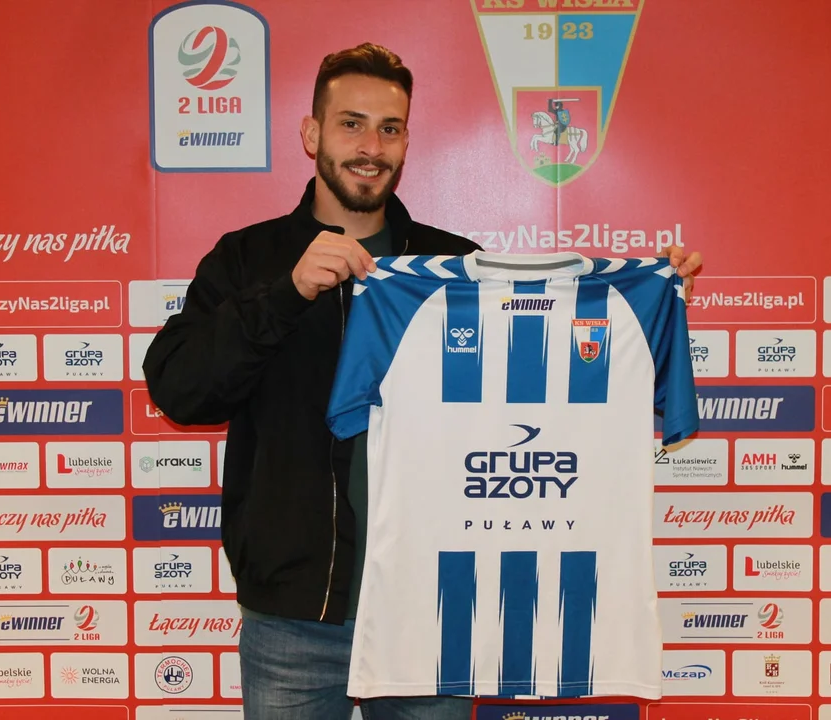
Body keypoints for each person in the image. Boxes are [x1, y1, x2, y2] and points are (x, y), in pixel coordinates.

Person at [144, 42, 703, 720]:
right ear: (312, 134)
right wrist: (287, 293)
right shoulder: (246, 258)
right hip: (294, 620)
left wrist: (645, 303)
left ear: (407, 142)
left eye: (390, 128)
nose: (370, 146)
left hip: (434, 611)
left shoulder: (458, 266)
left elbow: (551, 387)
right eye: (351, 124)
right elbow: (180, 390)